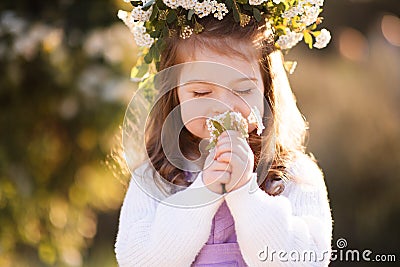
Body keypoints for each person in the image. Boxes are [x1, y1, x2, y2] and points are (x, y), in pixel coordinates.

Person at [115, 1, 333, 266]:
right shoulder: (155, 176)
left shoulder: (294, 175)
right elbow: (137, 260)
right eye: (201, 93)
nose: (223, 107)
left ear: (266, 91)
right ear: (175, 97)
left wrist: (245, 193)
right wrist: (205, 191)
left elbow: (306, 260)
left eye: (242, 90)